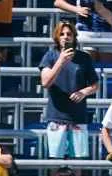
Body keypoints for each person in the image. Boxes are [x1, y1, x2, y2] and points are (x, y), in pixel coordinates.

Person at [38, 21, 99, 160]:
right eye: (62, 34)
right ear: (57, 37)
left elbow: (95, 85)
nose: (65, 37)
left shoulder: (84, 58)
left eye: (69, 34)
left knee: (78, 160)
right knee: (55, 159)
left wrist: (84, 92)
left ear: (74, 37)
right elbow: (45, 82)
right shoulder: (50, 56)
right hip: (56, 115)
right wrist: (61, 60)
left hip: (78, 115)